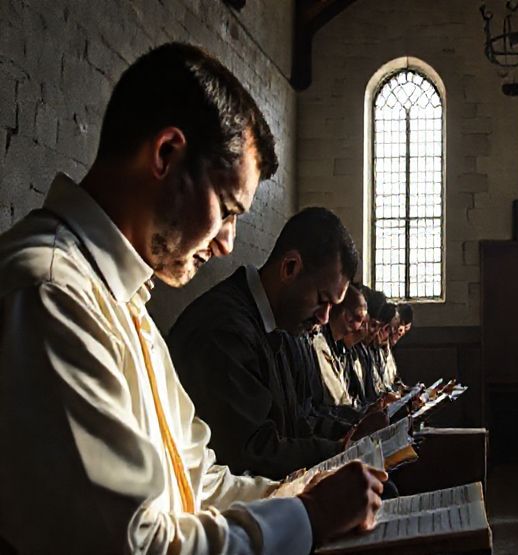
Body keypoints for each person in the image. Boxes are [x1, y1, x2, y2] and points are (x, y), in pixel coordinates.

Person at [0, 42, 382, 553]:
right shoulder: (51, 294)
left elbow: (198, 482)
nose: (227, 244)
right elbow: (135, 544)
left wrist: (298, 493)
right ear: (166, 155)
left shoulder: (125, 304)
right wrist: (308, 517)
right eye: (227, 209)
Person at [169, 207, 385, 480]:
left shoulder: (283, 327)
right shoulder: (223, 329)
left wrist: (350, 434)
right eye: (322, 299)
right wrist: (342, 451)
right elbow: (251, 452)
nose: (324, 317)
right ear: (290, 267)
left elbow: (298, 423)